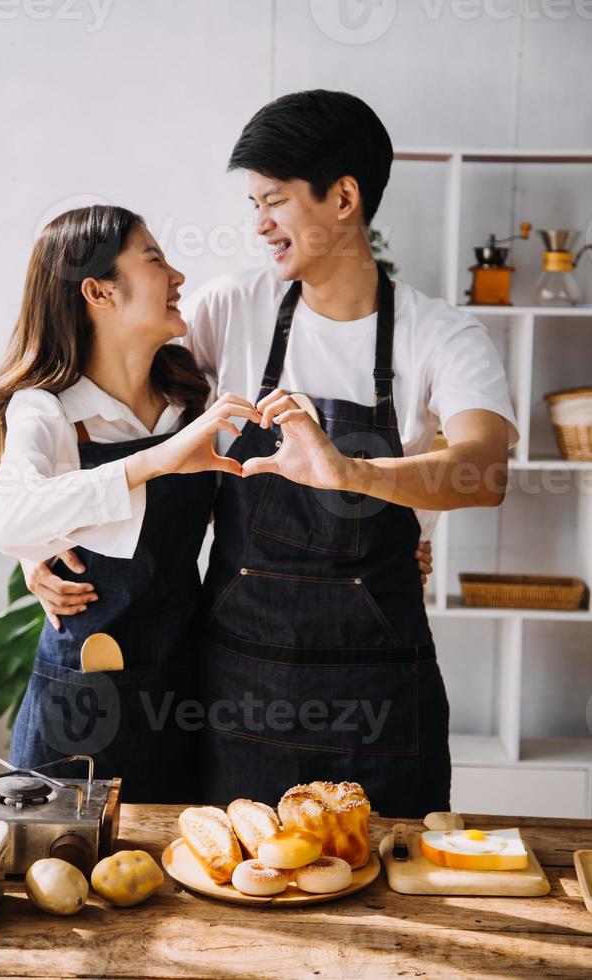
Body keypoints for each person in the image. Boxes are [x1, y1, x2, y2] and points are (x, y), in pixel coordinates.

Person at [180, 90, 518, 816]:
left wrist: (348, 472)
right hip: (243, 689)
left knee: (389, 904)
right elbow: (109, 410)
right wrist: (41, 539)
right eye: (252, 204)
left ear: (343, 197)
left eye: (273, 200)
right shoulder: (228, 310)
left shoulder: (440, 334)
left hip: (381, 697)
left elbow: (485, 470)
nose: (260, 224)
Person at [0, 204, 258, 803]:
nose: (178, 278)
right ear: (97, 291)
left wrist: (396, 542)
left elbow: (244, 511)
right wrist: (153, 461)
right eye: (156, 258)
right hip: (78, 702)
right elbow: (10, 519)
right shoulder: (47, 408)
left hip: (182, 690)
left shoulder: (190, 401)